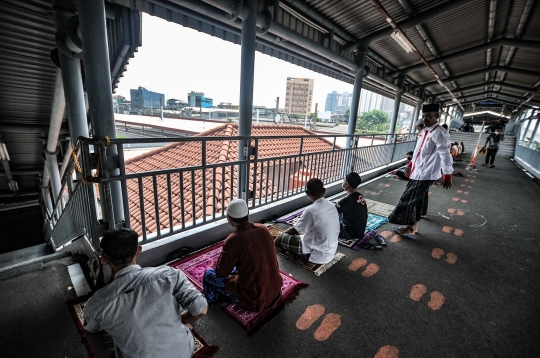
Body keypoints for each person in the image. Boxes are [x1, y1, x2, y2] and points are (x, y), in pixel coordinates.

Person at [84, 229, 208, 358]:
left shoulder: (95, 303)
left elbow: (90, 330)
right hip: (183, 353)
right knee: (178, 299)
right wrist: (180, 320)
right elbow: (201, 310)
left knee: (97, 326)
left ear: (104, 260)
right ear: (138, 250)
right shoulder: (169, 275)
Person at [203, 199, 282, 312]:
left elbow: (221, 272)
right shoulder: (263, 229)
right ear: (247, 213)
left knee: (208, 275)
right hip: (275, 291)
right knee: (237, 268)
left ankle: (212, 301)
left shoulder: (233, 239)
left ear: (229, 219)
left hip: (255, 298)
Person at [388, 103, 453, 239]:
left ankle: (409, 226)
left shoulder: (440, 133)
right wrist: (411, 164)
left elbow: (445, 154)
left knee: (408, 198)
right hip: (418, 172)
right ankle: (412, 228)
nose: (425, 119)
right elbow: (418, 152)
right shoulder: (424, 132)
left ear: (436, 116)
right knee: (417, 200)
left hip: (427, 173)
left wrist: (447, 173)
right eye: (423, 116)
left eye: (429, 116)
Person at [275, 178, 340, 264]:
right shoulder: (332, 205)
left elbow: (296, 230)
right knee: (304, 236)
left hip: (316, 254)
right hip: (330, 251)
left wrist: (280, 236)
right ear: (324, 191)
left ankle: (296, 253)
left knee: (283, 238)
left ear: (307, 193)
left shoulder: (311, 210)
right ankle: (292, 251)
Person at [336, 172, 385, 250]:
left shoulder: (345, 201)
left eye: (344, 181)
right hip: (360, 231)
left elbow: (331, 214)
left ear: (346, 184)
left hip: (349, 234)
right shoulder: (360, 196)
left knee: (329, 219)